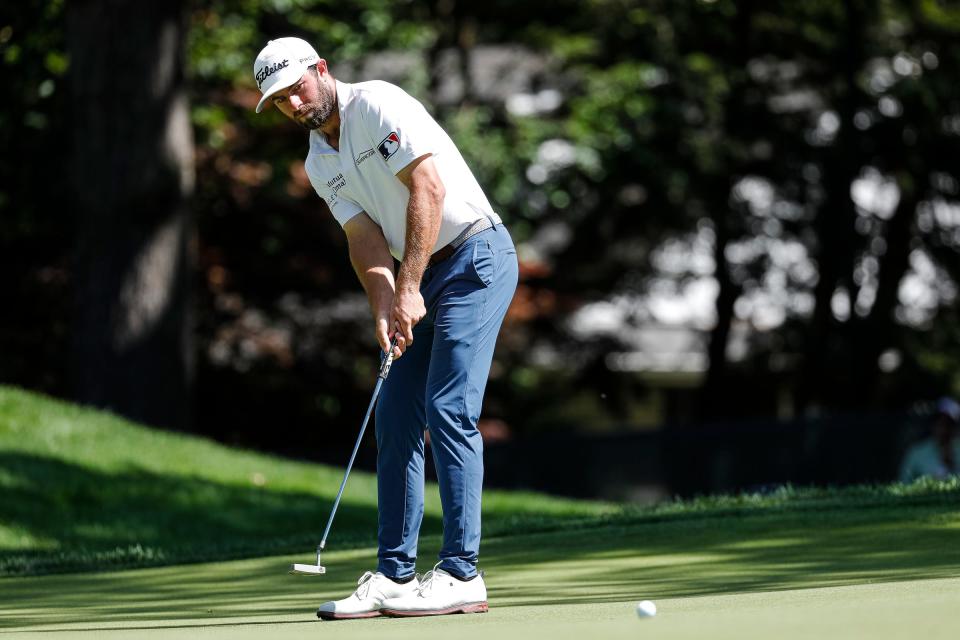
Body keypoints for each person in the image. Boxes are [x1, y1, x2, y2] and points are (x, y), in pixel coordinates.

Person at [252, 37, 518, 619]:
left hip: (475, 257)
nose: (294, 104)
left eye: (297, 88)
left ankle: (461, 573)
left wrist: (409, 288)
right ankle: (396, 575)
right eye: (279, 100)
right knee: (396, 415)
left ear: (321, 70)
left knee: (449, 407)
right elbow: (364, 239)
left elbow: (429, 190)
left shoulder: (377, 105)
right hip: (417, 278)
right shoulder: (318, 161)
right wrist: (384, 304)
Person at [899, 397, 960, 483]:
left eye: (948, 424)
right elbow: (903, 483)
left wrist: (952, 466)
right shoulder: (916, 452)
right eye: (939, 422)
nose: (944, 429)